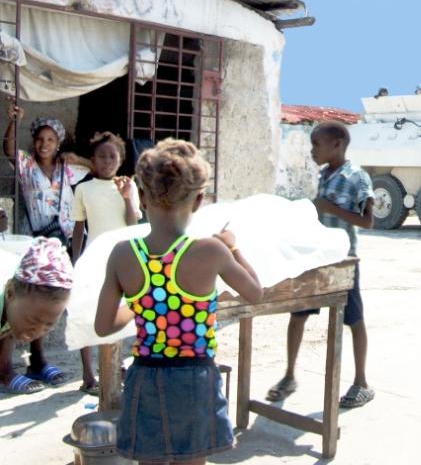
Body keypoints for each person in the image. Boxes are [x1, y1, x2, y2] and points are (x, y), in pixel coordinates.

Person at [94, 138, 264, 463]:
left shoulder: (123, 254)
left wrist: (141, 302)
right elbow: (255, 292)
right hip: (195, 380)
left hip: (145, 379)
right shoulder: (211, 251)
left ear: (141, 197)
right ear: (198, 200)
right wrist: (232, 247)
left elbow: (103, 327)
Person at [267, 121, 376, 408]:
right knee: (298, 314)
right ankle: (289, 375)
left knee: (354, 320)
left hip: (343, 261)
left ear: (337, 144)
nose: (312, 150)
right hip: (316, 257)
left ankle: (361, 382)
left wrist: (331, 209)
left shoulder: (357, 177)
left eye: (316, 145)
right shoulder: (325, 174)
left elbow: (367, 220)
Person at [70, 132, 142, 396]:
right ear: (92, 160)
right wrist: (75, 262)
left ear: (121, 159)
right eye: (101, 156)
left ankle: (115, 365)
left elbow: (132, 225)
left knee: (119, 313)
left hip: (122, 259)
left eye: (113, 156)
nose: (107, 160)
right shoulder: (83, 189)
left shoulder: (128, 186)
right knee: (86, 312)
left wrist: (125, 196)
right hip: (93, 259)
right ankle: (88, 374)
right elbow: (78, 229)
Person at [3, 104, 91, 245]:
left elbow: (97, 170)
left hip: (68, 237)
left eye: (50, 140)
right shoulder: (27, 164)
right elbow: (9, 150)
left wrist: (79, 159)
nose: (44, 144)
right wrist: (15, 121)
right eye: (40, 139)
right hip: (36, 237)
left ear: (58, 144)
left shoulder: (66, 165)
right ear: (34, 141)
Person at [0, 237, 73, 394]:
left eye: (49, 325)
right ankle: (3, 372)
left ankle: (36, 364)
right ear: (10, 293)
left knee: (21, 319)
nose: (38, 332)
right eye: (34, 321)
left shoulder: (20, 300)